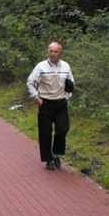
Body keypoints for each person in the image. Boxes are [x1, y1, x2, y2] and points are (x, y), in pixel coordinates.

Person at [27, 41, 75, 170]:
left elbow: (71, 82)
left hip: (61, 103)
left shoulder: (65, 66)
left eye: (55, 51)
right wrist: (36, 97)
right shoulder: (41, 67)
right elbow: (30, 82)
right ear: (48, 52)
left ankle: (57, 154)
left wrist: (67, 96)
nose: (53, 54)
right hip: (46, 103)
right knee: (45, 133)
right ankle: (48, 159)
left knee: (62, 129)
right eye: (51, 51)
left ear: (60, 53)